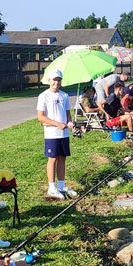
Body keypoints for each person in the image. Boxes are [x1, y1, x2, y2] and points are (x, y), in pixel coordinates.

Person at [37, 69, 77, 200]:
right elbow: (41, 117)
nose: (56, 82)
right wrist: (57, 124)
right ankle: (51, 187)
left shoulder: (64, 96)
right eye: (54, 80)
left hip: (64, 134)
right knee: (52, 159)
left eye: (59, 80)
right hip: (51, 134)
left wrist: (70, 123)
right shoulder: (44, 96)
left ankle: (61, 185)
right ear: (49, 81)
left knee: (62, 158)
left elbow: (67, 115)